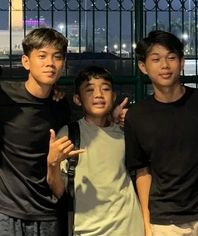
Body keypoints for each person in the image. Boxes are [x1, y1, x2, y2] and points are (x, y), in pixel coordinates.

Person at [124, 30, 198, 236]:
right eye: (155, 59)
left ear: (182, 62)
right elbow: (142, 171)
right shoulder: (136, 116)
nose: (165, 66)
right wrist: (148, 226)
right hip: (166, 223)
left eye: (171, 58)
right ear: (143, 67)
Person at [47, 65, 145, 236]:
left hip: (130, 228)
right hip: (85, 230)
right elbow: (59, 191)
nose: (99, 95)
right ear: (78, 99)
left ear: (113, 97)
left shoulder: (125, 132)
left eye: (105, 89)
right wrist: (52, 164)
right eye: (90, 90)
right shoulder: (69, 134)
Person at [0, 27, 72, 235]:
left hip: (49, 212)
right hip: (7, 212)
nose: (50, 63)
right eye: (42, 56)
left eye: (57, 57)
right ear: (25, 62)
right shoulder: (5, 96)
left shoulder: (61, 106)